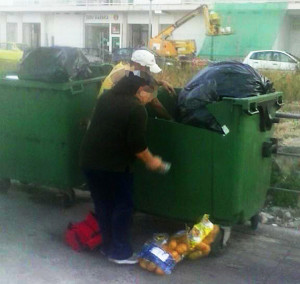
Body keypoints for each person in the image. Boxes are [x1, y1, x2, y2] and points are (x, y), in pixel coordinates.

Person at [79, 71, 170, 265]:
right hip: (114, 166)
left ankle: (107, 246)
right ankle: (120, 253)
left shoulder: (106, 98)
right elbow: (137, 146)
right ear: (138, 90)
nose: (149, 98)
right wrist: (152, 161)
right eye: (148, 93)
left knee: (104, 205)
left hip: (90, 161)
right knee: (123, 207)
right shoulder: (136, 109)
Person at [99, 49, 175, 120]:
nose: (149, 72)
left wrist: (160, 82)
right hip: (111, 115)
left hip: (104, 108)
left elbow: (146, 78)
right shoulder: (132, 76)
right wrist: (171, 120)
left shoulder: (124, 68)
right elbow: (155, 103)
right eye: (147, 68)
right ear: (138, 64)